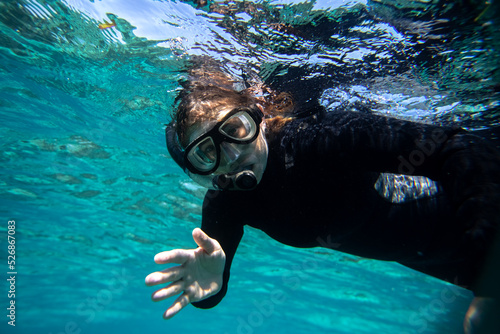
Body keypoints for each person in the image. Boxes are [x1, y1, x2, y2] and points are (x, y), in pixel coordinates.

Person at [145, 58, 500, 333]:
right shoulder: (227, 201)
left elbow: (461, 147)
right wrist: (210, 288)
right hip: (441, 262)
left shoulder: (319, 140)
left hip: (477, 229)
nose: (233, 156)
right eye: (208, 153)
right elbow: (210, 284)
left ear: (257, 116)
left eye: (235, 129)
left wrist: (489, 274)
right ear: (199, 168)